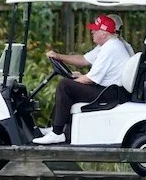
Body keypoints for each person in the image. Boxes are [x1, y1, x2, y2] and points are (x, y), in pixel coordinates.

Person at [32, 14, 131, 144]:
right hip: (109, 90)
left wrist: (75, 81)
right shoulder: (108, 45)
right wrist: (73, 73)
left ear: (104, 33)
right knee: (69, 86)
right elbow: (86, 63)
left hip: (109, 93)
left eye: (96, 29)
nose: (92, 31)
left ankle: (57, 133)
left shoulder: (110, 48)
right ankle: (57, 129)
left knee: (65, 86)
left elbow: (90, 79)